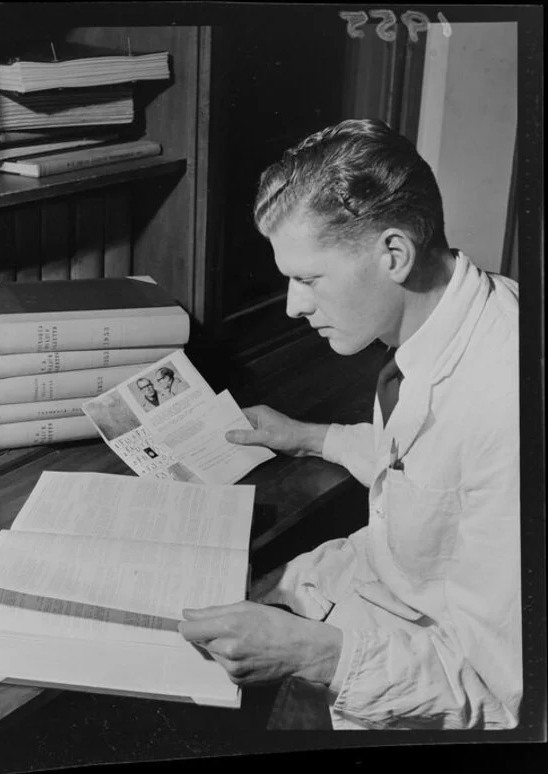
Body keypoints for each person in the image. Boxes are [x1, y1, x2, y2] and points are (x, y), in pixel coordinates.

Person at [178, 119, 521, 730]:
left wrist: (310, 652)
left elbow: (495, 691)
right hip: (386, 595)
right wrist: (311, 436)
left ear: (393, 253)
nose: (293, 305)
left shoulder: (507, 401)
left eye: (308, 278)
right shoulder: (439, 321)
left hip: (440, 677)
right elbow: (427, 473)